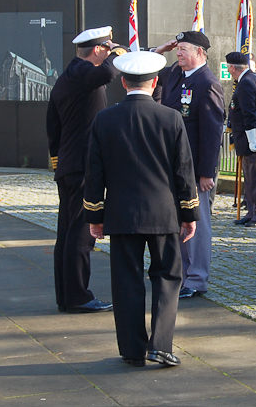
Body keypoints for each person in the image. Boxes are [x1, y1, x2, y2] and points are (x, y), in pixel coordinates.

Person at [84, 50, 199, 367]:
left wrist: (95, 216)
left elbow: (94, 174)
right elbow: (184, 173)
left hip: (121, 215)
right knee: (167, 278)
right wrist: (189, 215)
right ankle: (160, 345)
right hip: (163, 215)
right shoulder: (171, 118)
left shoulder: (104, 119)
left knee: (126, 281)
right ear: (155, 82)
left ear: (123, 82)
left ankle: (133, 350)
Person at [46, 25, 122, 313]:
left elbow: (52, 127)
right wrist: (118, 52)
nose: (111, 50)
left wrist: (58, 160)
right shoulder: (84, 74)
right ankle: (78, 297)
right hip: (81, 168)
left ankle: (67, 295)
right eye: (108, 46)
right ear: (99, 49)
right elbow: (108, 72)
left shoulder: (67, 76)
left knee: (66, 233)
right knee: (81, 233)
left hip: (68, 165)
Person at [154, 31, 224, 299]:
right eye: (177, 48)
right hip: (173, 165)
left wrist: (208, 172)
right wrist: (161, 48)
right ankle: (182, 274)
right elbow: (145, 64)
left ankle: (196, 278)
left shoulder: (207, 83)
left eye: (184, 49)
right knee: (178, 222)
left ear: (200, 53)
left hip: (195, 169)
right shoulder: (175, 76)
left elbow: (212, 132)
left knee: (197, 223)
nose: (178, 53)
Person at [226, 52, 256, 228]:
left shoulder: (246, 83)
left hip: (251, 139)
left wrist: (252, 140)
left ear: (233, 68)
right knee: (250, 178)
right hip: (248, 138)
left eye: (228, 67)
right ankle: (251, 212)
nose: (228, 70)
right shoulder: (251, 79)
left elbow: (249, 114)